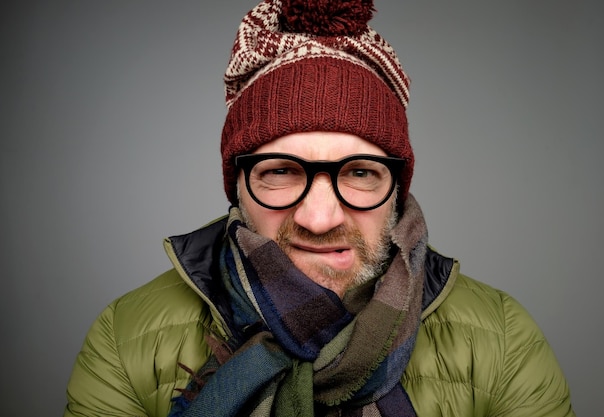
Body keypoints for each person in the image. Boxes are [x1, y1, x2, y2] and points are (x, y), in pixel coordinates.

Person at [64, 0, 575, 416]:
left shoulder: (502, 341)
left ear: (396, 187)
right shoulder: (125, 338)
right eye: (282, 171)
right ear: (237, 186)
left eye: (358, 173)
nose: (319, 218)